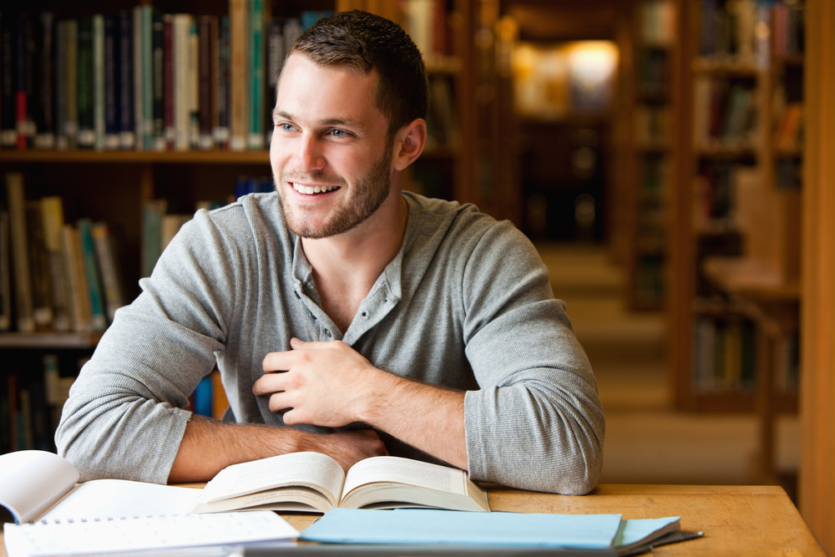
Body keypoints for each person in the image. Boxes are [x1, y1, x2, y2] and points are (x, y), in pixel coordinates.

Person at [56, 10, 604, 495]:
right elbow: (90, 430)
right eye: (287, 126)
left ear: (406, 145)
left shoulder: (483, 254)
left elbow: (568, 446)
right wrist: (300, 450)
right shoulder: (222, 247)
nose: (303, 161)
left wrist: (365, 392)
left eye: (337, 132)